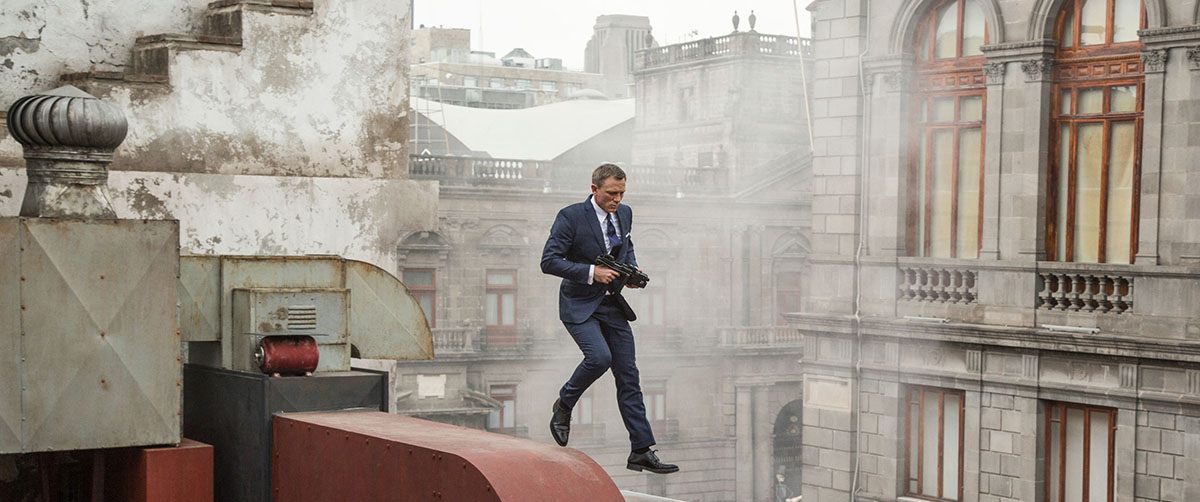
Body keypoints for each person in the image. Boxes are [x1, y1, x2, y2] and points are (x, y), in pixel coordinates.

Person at [540, 163, 678, 474]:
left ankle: (641, 450)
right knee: (599, 358)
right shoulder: (570, 216)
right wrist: (593, 272)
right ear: (594, 189)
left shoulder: (625, 213)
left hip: (612, 304)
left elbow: (626, 247)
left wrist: (631, 271)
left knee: (629, 375)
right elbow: (549, 261)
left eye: (622, 194)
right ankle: (564, 404)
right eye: (611, 193)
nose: (617, 200)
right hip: (579, 305)